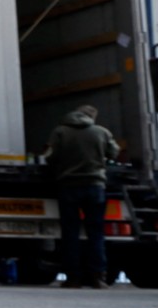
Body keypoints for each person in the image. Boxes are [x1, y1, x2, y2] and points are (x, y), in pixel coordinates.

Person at [44, 105, 120, 288]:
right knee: (96, 233)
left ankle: (73, 277)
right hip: (95, 187)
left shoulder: (60, 131)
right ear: (92, 117)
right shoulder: (101, 132)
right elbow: (113, 152)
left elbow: (50, 157)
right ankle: (97, 277)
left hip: (68, 186)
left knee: (70, 233)